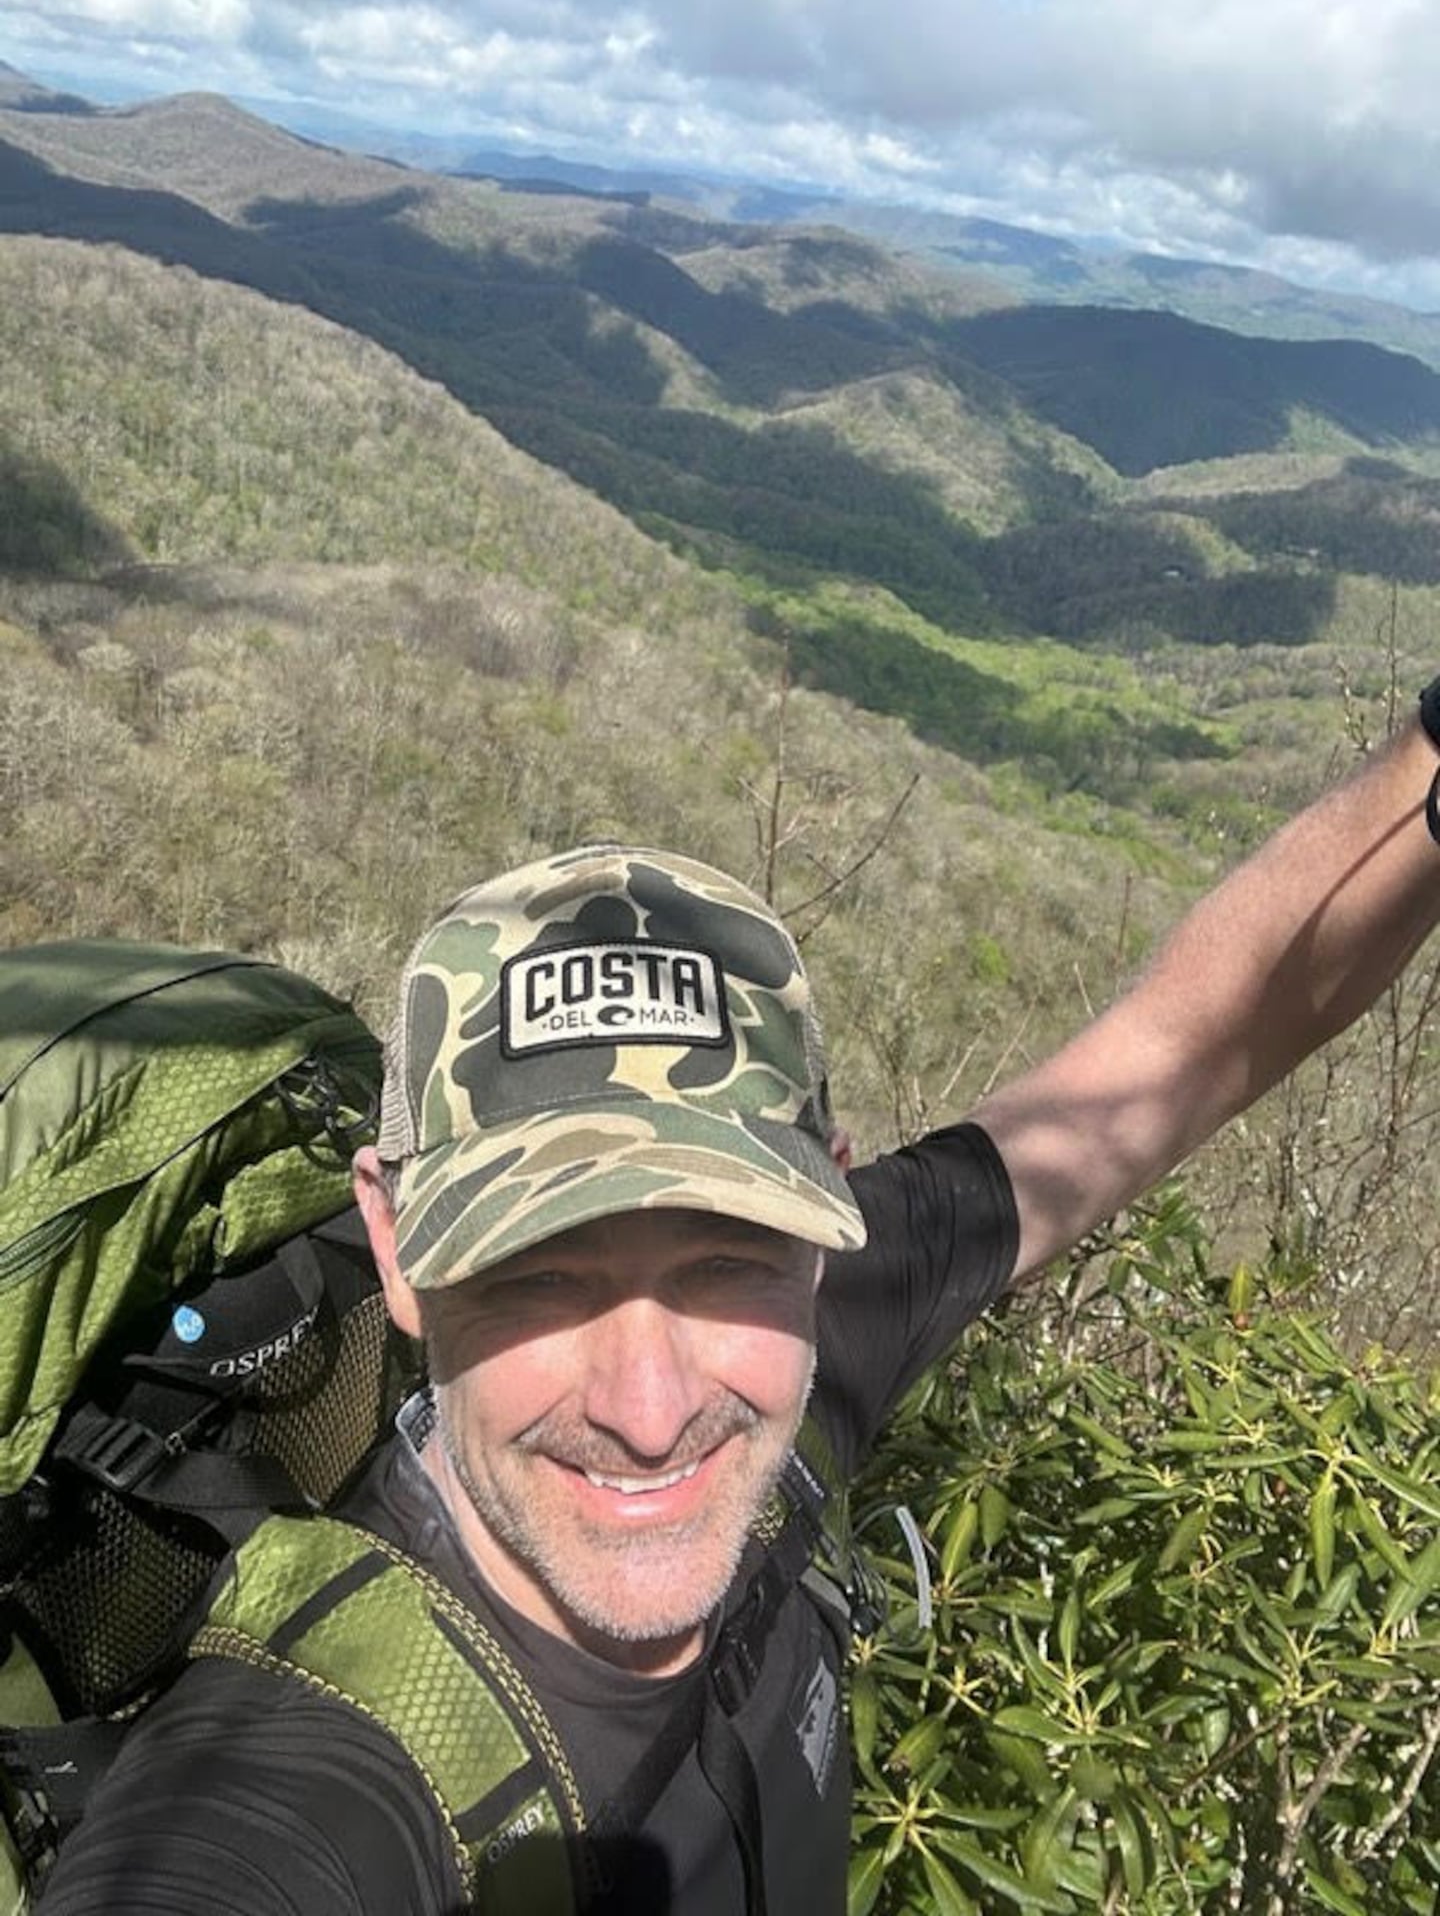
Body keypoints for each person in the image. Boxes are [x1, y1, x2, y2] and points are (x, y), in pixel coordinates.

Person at [36, 707, 1440, 1915]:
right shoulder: (298, 1779)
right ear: (399, 1246)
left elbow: (1185, 1047)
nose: (651, 1410)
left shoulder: (814, 1337)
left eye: (725, 1260)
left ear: (825, 1221)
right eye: (537, 1275)